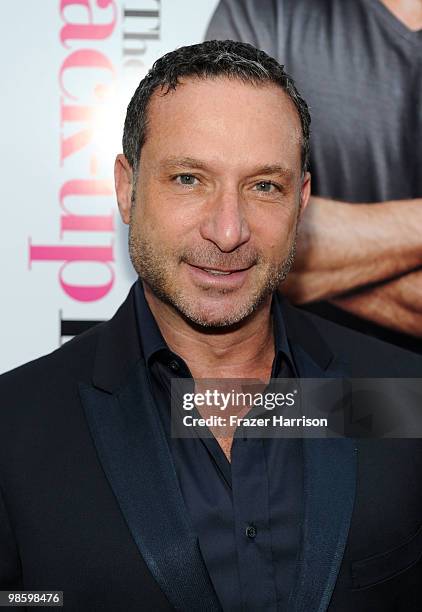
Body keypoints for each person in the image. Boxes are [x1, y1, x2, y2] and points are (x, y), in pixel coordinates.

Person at [0, 40, 421, 612]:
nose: (228, 231)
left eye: (263, 186)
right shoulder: (16, 426)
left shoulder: (401, 397)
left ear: (301, 201)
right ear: (128, 188)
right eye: (189, 179)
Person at [206, 0, 422, 354]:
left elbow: (264, 246)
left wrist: (294, 269)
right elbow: (237, 230)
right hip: (293, 384)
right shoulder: (264, 10)